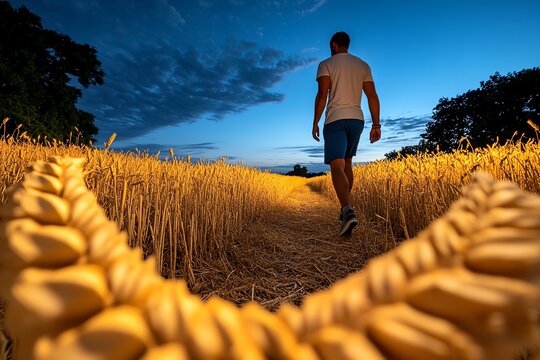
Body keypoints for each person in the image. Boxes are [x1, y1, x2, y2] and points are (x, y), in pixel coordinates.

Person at [312, 31, 381, 237]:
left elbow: (322, 94)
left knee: (337, 165)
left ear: (333, 45)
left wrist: (315, 121)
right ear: (347, 44)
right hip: (357, 120)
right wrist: (376, 124)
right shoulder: (363, 65)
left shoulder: (326, 64)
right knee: (348, 164)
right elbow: (372, 95)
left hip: (335, 119)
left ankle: (347, 209)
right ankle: (346, 210)